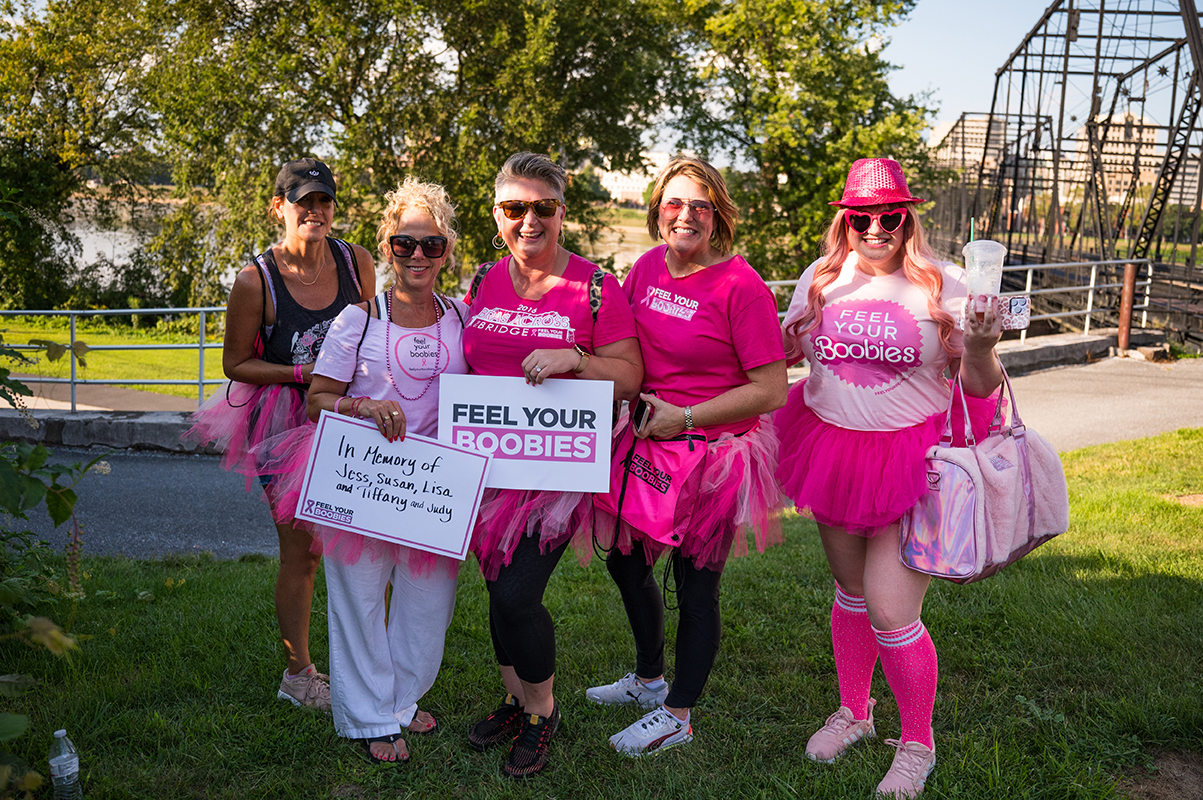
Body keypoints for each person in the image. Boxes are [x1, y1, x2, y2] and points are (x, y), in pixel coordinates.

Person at [776, 158, 1004, 798]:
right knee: (851, 590)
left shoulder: (945, 284)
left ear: (907, 220)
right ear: (844, 223)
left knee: (891, 607)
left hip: (913, 462)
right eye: (862, 218)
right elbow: (779, 355)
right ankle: (854, 711)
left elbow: (982, 386)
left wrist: (982, 347)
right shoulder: (820, 280)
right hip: (830, 449)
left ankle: (916, 744)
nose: (876, 228)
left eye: (890, 216)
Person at [586, 156, 789, 756]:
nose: (686, 215)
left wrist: (688, 417)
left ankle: (678, 713)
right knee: (625, 560)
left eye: (700, 205)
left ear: (717, 215)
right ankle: (650, 680)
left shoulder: (741, 287)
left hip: (715, 452)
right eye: (675, 202)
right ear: (657, 210)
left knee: (697, 584)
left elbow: (771, 389)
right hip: (648, 439)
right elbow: (621, 345)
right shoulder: (645, 268)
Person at [263, 177, 469, 763]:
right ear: (386, 247)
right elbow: (318, 398)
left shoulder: (462, 318)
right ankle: (368, 717)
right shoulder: (358, 318)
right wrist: (364, 405)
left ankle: (401, 700)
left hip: (436, 488)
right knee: (357, 599)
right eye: (405, 244)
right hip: (365, 480)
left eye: (432, 244)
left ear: (447, 249)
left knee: (428, 607)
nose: (418, 256)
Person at [461, 152, 643, 778]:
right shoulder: (483, 278)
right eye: (515, 209)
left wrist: (576, 358)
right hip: (485, 465)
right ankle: (514, 700)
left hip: (555, 471)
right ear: (497, 215)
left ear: (562, 212)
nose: (529, 221)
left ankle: (541, 712)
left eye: (542, 208)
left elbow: (629, 375)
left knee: (517, 593)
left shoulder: (595, 285)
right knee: (494, 585)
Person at [185, 158, 374, 711]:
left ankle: (368, 664)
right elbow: (235, 363)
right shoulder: (256, 280)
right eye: (303, 202)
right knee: (304, 554)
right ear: (279, 208)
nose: (315, 212)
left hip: (348, 417)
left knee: (362, 548)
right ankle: (299, 674)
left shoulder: (354, 260)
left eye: (324, 202)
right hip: (285, 423)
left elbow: (374, 328)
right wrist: (301, 373)